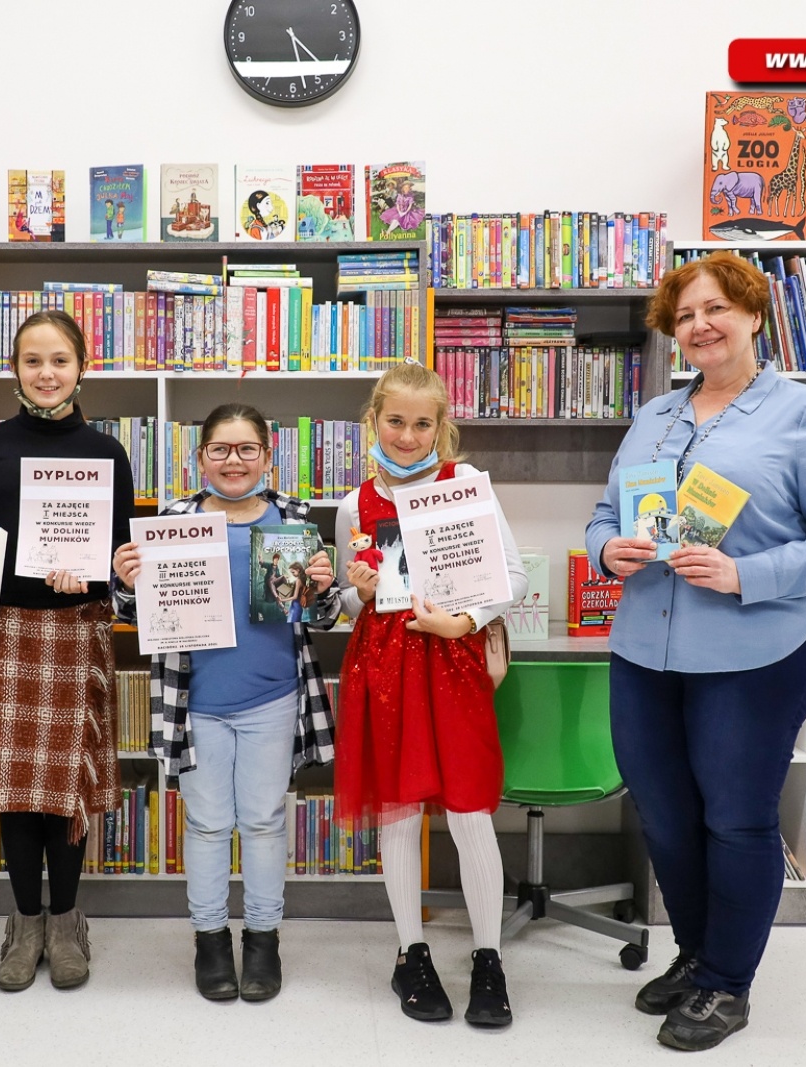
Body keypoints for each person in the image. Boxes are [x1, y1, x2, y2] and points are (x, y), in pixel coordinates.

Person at [586, 251, 806, 1052]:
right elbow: (604, 517)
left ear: (752, 313)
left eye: (715, 308)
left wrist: (744, 572)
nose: (699, 326)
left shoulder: (805, 415)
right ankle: (697, 953)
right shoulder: (655, 415)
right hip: (648, 643)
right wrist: (609, 552)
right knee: (667, 817)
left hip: (762, 644)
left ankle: (726, 984)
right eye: (683, 316)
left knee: (737, 818)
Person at [0, 309, 134, 994]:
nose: (46, 373)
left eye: (60, 360)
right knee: (18, 793)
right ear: (14, 368)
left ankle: (68, 920)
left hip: (76, 626)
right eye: (32, 360)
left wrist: (103, 571)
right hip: (1, 633)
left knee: (66, 791)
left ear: (82, 366)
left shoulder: (108, 452)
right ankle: (23, 921)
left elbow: (122, 553)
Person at [111, 403, 338, 1002]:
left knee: (263, 823)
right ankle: (210, 941)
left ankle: (263, 940)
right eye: (220, 449)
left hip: (272, 698)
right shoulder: (173, 519)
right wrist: (126, 583)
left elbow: (322, 614)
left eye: (246, 450)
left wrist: (323, 585)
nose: (233, 461)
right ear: (200, 457)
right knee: (208, 824)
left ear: (268, 455)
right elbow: (136, 616)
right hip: (197, 703)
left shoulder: (292, 518)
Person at [333, 363, 528, 1029]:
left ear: (441, 425)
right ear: (374, 420)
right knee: (398, 812)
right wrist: (355, 587)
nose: (409, 434)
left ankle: (488, 956)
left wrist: (465, 621)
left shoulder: (467, 484)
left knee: (470, 811)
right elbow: (341, 596)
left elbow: (514, 573)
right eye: (396, 421)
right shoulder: (354, 503)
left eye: (423, 423)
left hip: (451, 658)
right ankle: (410, 952)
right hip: (384, 670)